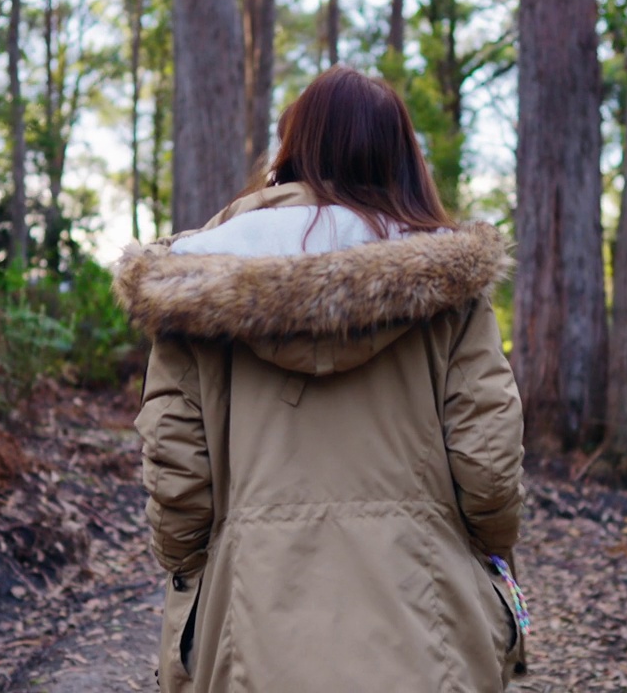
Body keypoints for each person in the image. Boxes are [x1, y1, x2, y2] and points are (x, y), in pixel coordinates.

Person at [113, 65, 526, 693]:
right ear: (401, 159)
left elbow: (177, 476)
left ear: (291, 149)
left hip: (253, 623)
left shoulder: (191, 285)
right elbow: (489, 465)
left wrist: (196, 567)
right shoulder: (454, 289)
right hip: (423, 625)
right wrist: (486, 549)